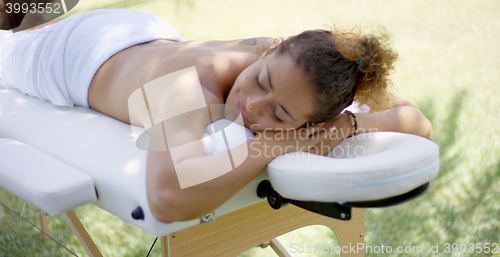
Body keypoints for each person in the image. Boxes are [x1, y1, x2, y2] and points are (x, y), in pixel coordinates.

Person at [0, 9, 432, 223]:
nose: (253, 106)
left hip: (138, 32)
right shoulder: (190, 86)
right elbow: (166, 198)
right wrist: (278, 140)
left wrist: (349, 125)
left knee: (34, 19)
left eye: (279, 113)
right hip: (62, 58)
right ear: (269, 48)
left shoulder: (321, 78)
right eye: (260, 80)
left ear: (312, 120)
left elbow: (417, 122)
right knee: (16, 37)